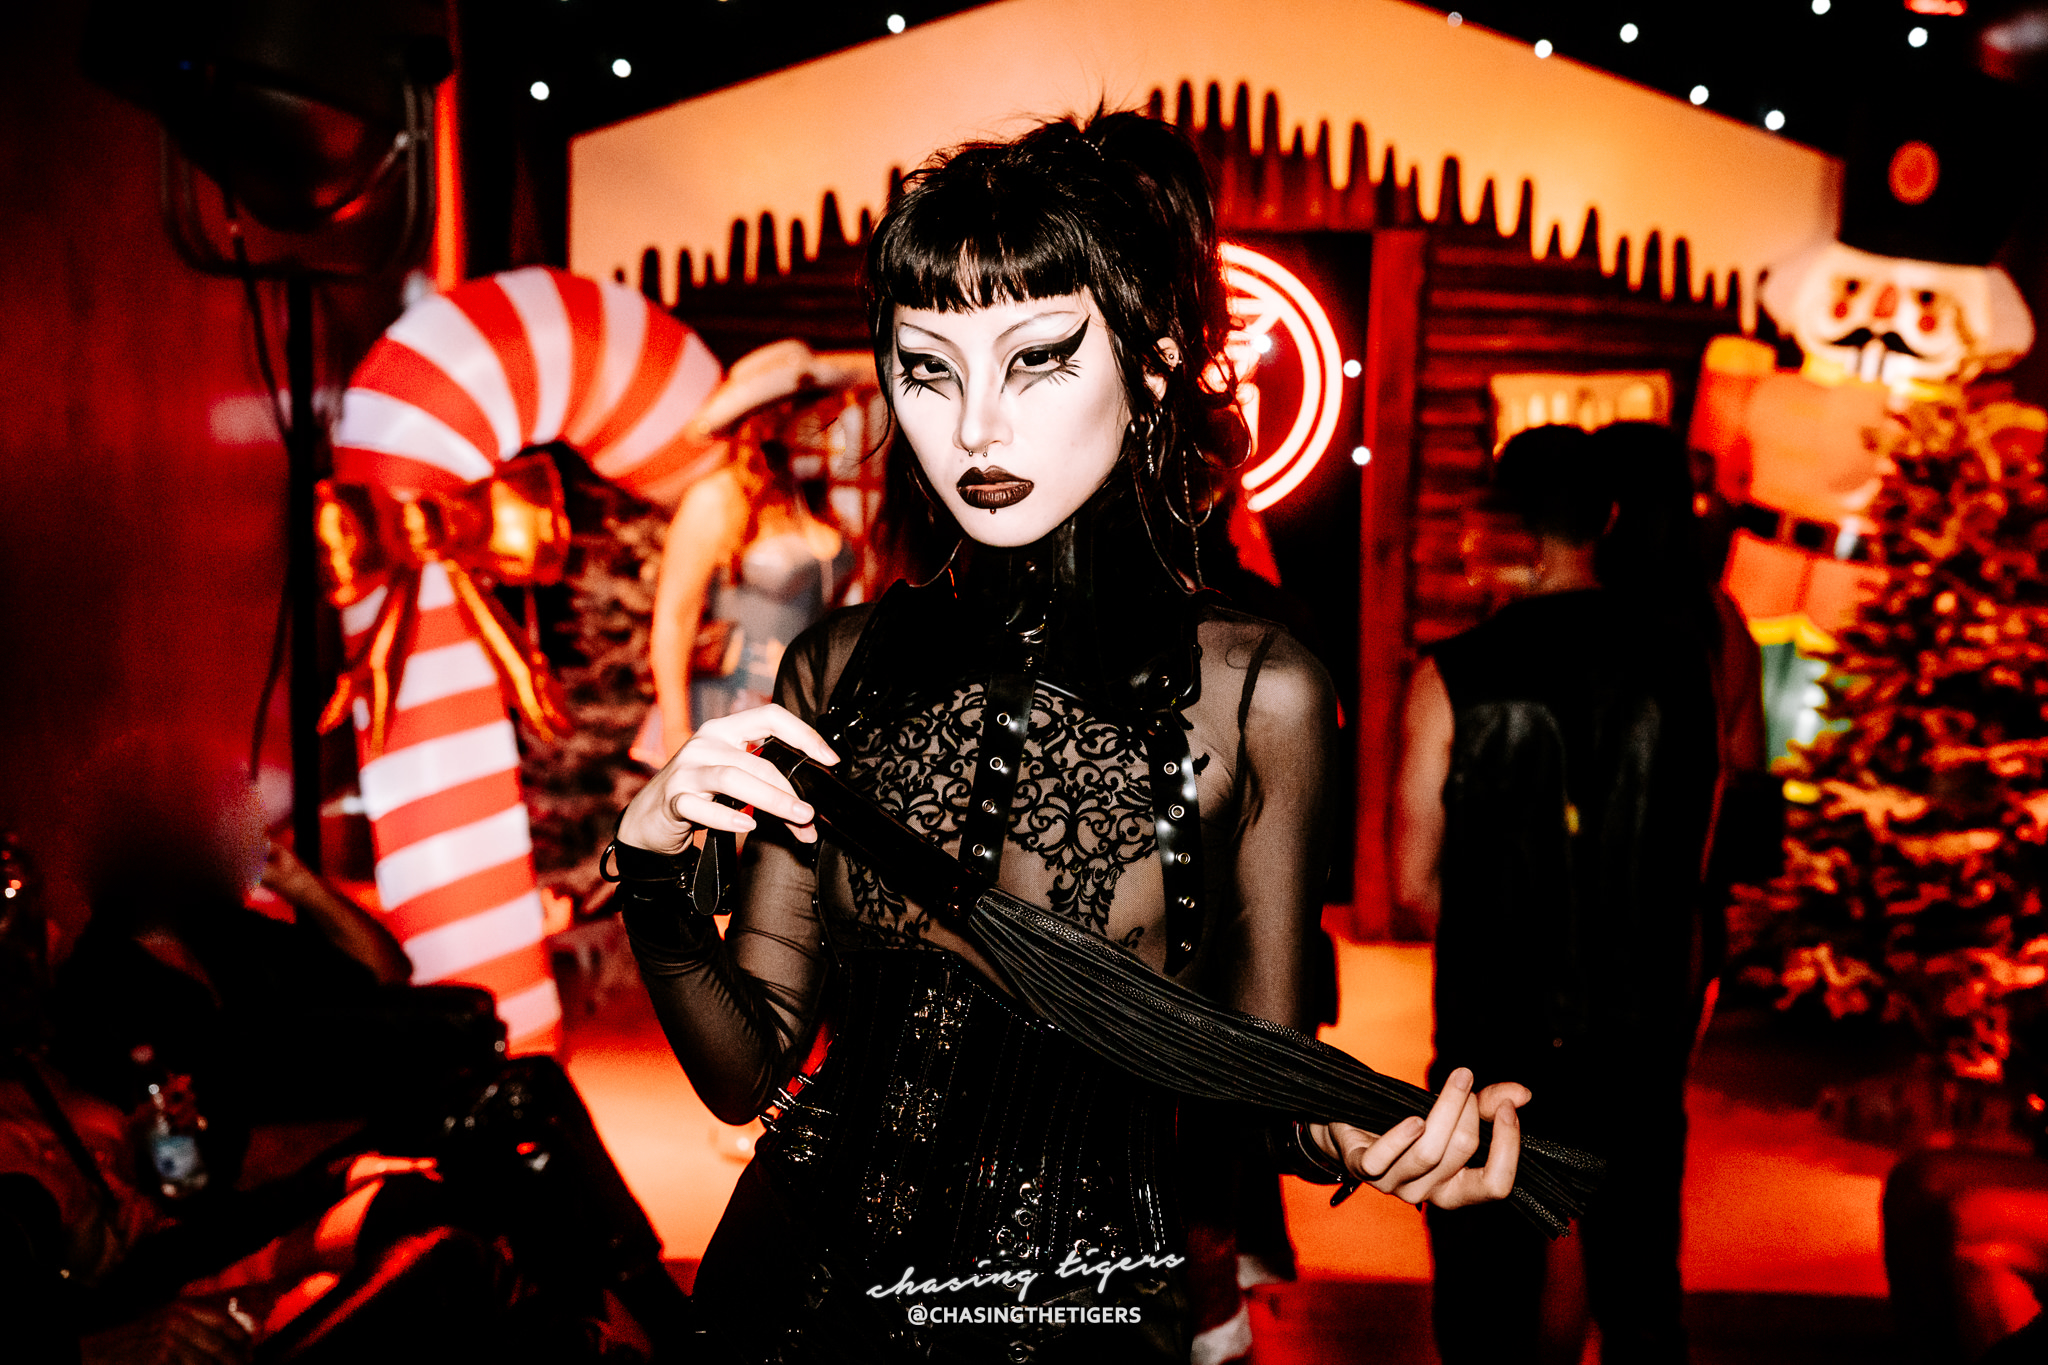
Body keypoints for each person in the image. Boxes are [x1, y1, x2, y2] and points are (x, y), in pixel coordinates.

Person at [613, 109, 1530, 1364]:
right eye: (927, 368)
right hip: (786, 1308)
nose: (974, 427)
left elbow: (1255, 1074)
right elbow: (746, 1073)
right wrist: (651, 873)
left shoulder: (1256, 692)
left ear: (1150, 366)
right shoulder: (838, 666)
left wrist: (1371, 1136)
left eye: (1036, 358)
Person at [1393, 424, 1718, 1365]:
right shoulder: (1684, 667)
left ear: (1508, 526)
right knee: (1641, 1294)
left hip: (1495, 1031)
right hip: (1636, 1029)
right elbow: (1691, 860)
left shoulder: (1452, 674)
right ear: (1605, 521)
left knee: (1486, 1293)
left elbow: (1413, 883)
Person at [631, 342, 866, 767]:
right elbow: (674, 619)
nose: (828, 419)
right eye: (813, 407)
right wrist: (676, 731)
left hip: (799, 711)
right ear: (774, 418)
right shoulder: (719, 498)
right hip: (728, 706)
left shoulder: (809, 500)